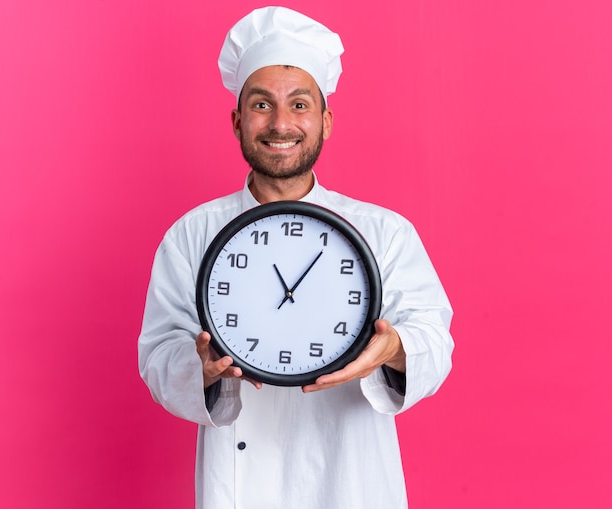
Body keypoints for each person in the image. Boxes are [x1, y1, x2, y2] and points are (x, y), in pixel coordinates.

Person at [138, 6, 454, 509]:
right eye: (261, 105)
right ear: (238, 120)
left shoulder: (384, 232)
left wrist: (393, 348)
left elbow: (435, 343)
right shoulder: (192, 235)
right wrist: (197, 367)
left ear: (325, 122)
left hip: (351, 479)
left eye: (300, 104)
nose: (281, 123)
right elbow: (156, 358)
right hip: (239, 485)